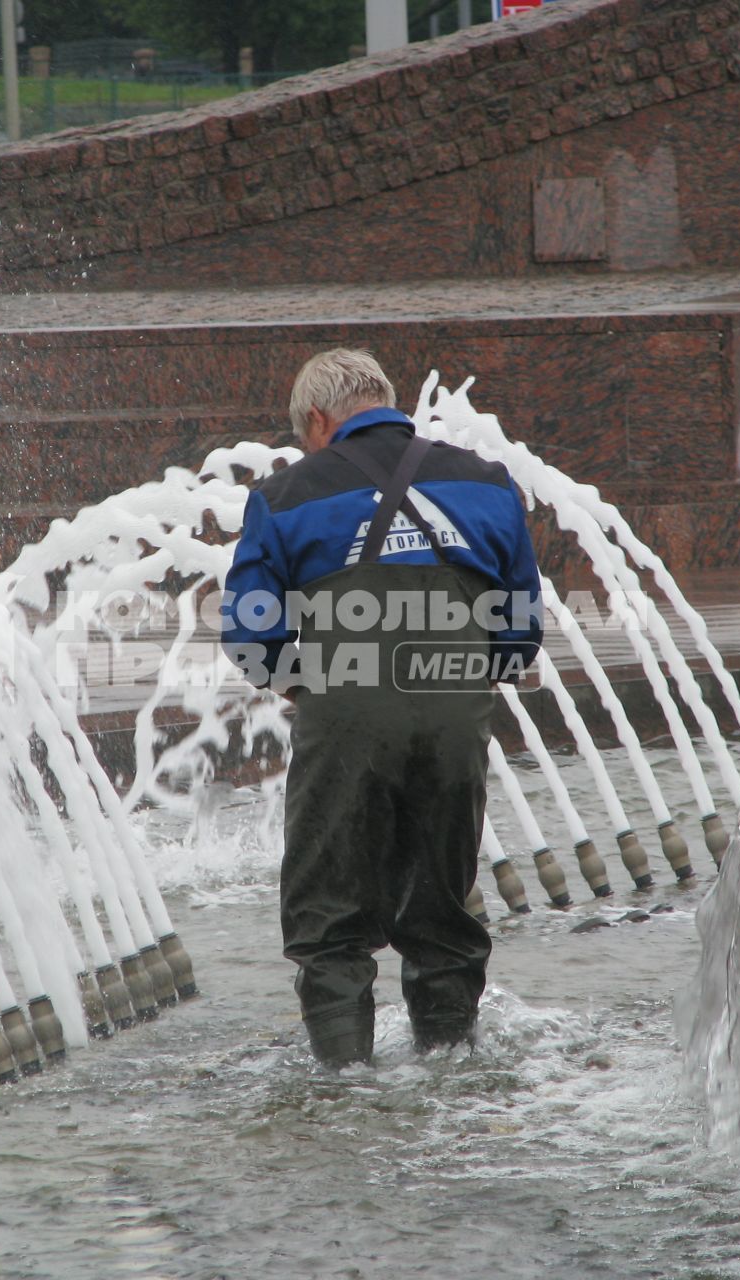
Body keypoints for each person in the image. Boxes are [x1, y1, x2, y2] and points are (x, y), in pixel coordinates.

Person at [220, 349, 543, 1067]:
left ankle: (345, 1090)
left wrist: (316, 686)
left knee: (329, 923)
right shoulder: (485, 482)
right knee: (442, 915)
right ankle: (451, 1070)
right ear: (387, 401)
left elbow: (249, 633)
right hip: (456, 714)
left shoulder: (284, 495)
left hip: (345, 721)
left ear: (316, 419)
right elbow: (520, 629)